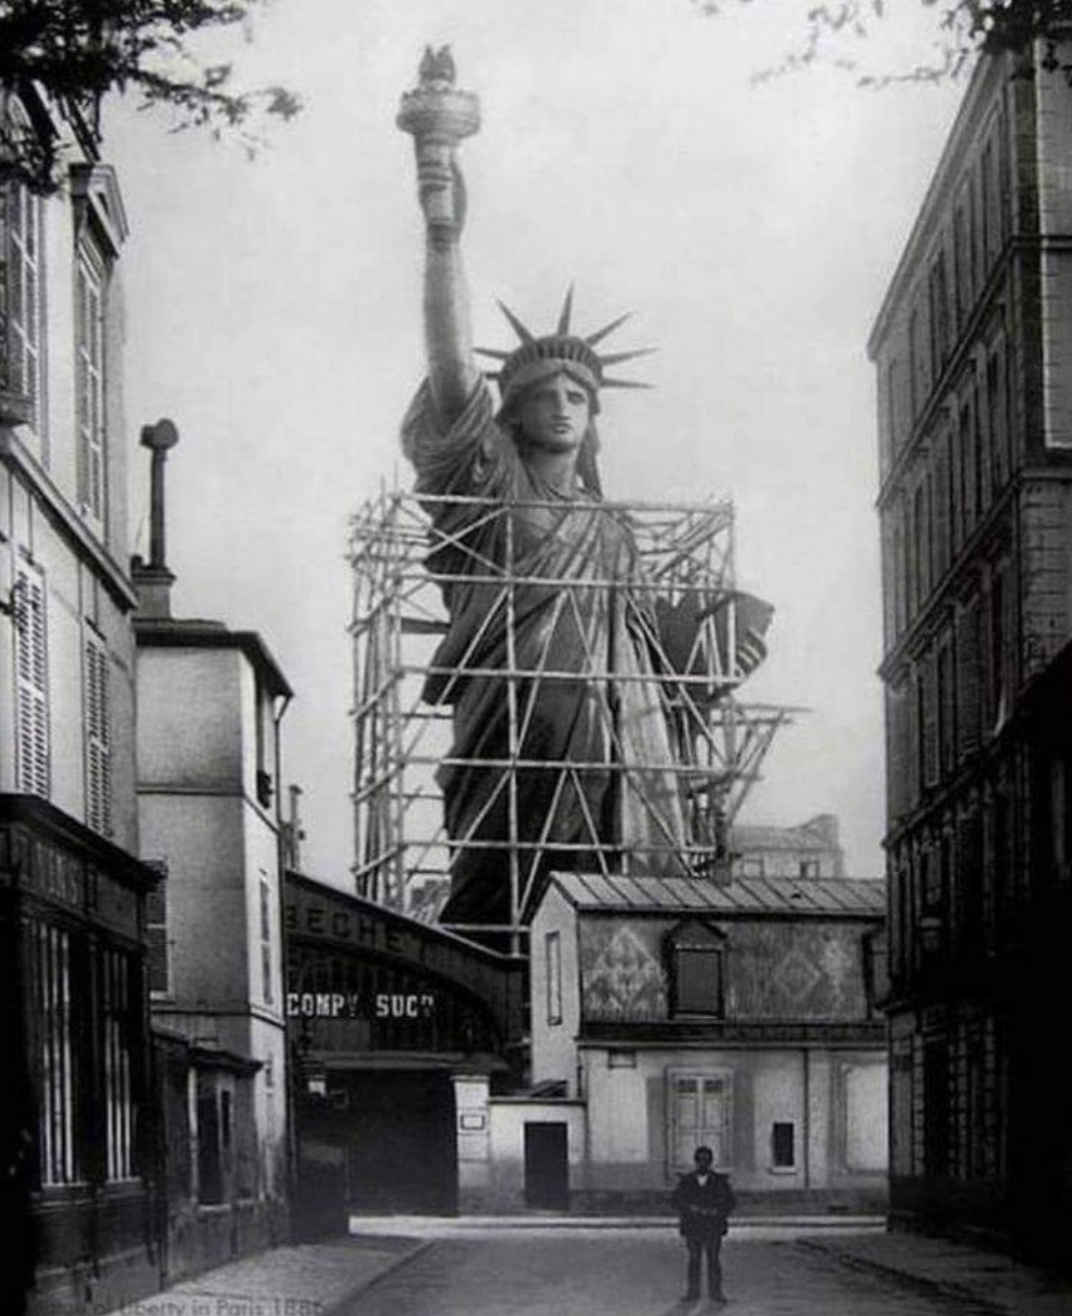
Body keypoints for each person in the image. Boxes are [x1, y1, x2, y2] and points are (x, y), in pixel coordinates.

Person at [399, 55, 772, 937]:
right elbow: (452, 370)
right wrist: (443, 226)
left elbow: (652, 654)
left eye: (578, 397)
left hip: (611, 740)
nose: (562, 407)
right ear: (513, 416)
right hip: (512, 724)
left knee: (609, 900)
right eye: (544, 397)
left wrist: (717, 645)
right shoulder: (485, 483)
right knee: (502, 889)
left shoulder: (611, 531)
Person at [670, 1145, 735, 1303]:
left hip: (713, 1227)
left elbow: (730, 1202)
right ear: (695, 1162)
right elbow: (675, 1200)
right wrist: (690, 1208)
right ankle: (693, 1292)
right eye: (700, 1160)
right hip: (693, 1227)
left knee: (713, 1260)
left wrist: (717, 1211)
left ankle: (716, 1292)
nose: (703, 1164)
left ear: (711, 1162)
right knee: (694, 1259)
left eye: (706, 1160)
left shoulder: (720, 1181)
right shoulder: (687, 1181)